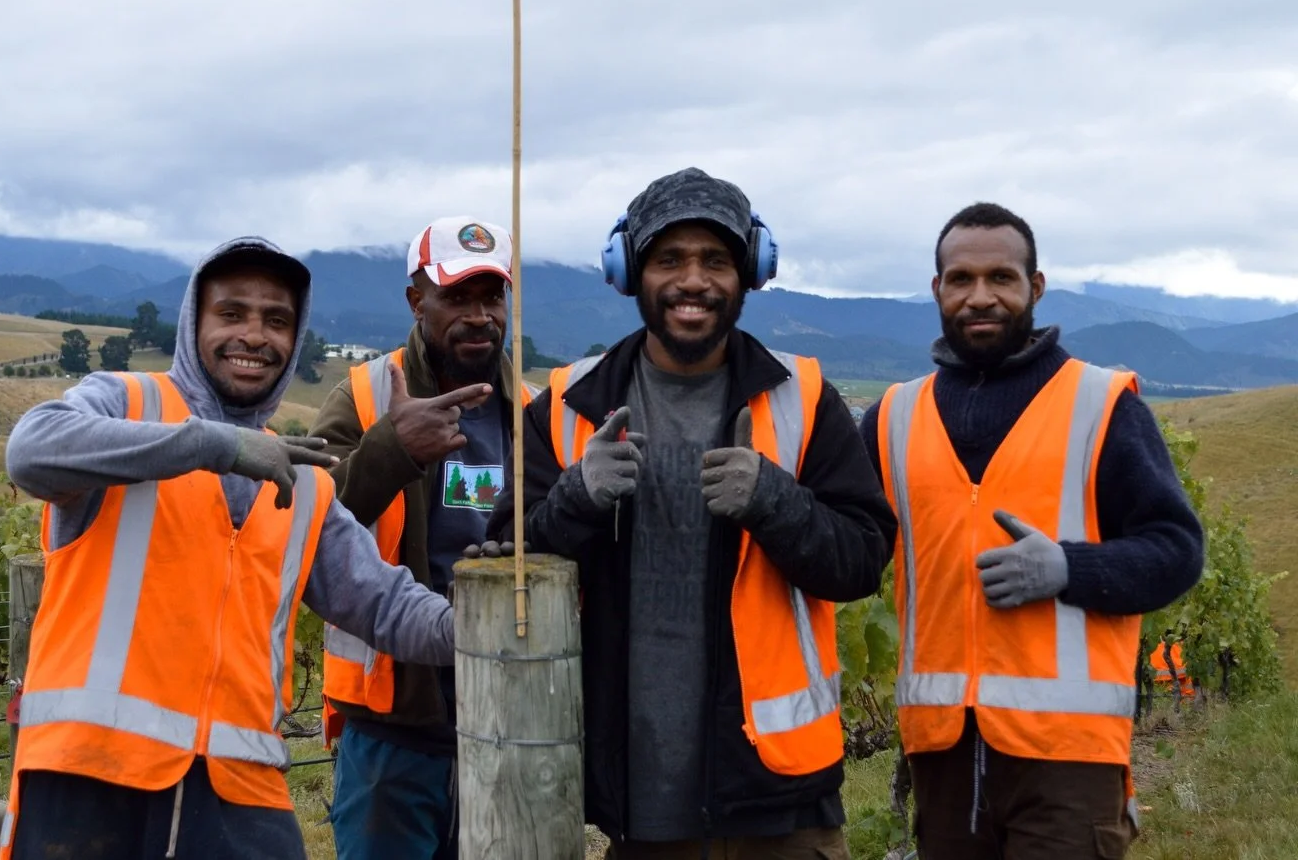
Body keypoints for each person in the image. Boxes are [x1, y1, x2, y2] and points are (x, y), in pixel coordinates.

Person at [0, 237, 455, 860]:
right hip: (90, 772)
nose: (254, 336)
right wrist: (215, 445)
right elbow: (31, 451)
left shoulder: (305, 482)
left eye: (277, 321)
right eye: (232, 313)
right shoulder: (127, 402)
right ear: (194, 322)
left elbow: (385, 604)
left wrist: (480, 632)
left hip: (241, 788)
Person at [488, 167, 897, 860]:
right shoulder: (566, 404)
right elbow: (505, 555)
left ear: (750, 272)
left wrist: (774, 501)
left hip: (779, 798)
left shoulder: (802, 399)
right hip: (637, 802)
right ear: (629, 271)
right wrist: (575, 500)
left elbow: (862, 559)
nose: (693, 280)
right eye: (669, 259)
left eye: (715, 260)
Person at [859, 202, 1205, 860]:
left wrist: (1070, 568)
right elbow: (843, 539)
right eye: (961, 279)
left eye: (1001, 277)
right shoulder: (893, 418)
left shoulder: (1100, 405)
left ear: (1035, 287)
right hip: (942, 754)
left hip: (1068, 758)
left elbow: (1178, 550)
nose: (979, 296)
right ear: (936, 289)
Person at [309, 216, 534, 860]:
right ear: (417, 300)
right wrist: (393, 450)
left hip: (509, 715)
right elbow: (304, 526)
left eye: (491, 297)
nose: (479, 317)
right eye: (457, 297)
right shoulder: (363, 397)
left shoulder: (534, 411)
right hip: (393, 723)